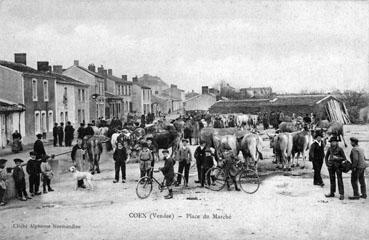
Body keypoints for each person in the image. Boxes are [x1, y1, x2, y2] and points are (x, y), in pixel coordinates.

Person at [325, 136, 347, 200]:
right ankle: (332, 192)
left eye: (334, 142)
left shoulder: (340, 149)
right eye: (332, 142)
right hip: (331, 166)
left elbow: (344, 158)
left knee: (339, 180)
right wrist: (327, 164)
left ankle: (341, 194)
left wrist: (337, 158)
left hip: (338, 166)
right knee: (332, 180)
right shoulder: (329, 149)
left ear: (337, 142)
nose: (333, 143)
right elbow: (326, 157)